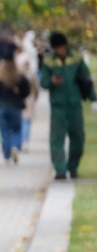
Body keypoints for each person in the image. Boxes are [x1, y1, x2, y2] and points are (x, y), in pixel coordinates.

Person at [40, 31, 97, 179]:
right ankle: (60, 168)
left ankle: (73, 167)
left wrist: (93, 99)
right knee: (56, 138)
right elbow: (43, 82)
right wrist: (51, 81)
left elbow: (86, 80)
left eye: (61, 47)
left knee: (78, 137)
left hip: (74, 105)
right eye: (57, 48)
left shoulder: (76, 59)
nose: (60, 51)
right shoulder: (48, 62)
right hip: (58, 106)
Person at [0, 43, 31, 166]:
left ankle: (6, 157)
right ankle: (15, 146)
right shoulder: (19, 77)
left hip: (0, 108)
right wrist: (20, 97)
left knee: (4, 133)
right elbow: (27, 91)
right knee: (16, 130)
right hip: (15, 107)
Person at [16, 50, 40, 152]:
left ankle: (18, 142)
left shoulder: (16, 73)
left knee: (19, 122)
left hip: (17, 100)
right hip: (29, 100)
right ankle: (25, 141)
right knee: (26, 122)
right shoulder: (31, 73)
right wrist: (35, 98)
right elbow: (36, 88)